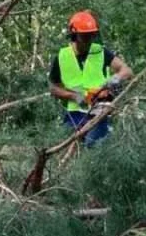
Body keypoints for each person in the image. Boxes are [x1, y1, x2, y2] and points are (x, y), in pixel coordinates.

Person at [48, 10, 132, 147]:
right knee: (61, 144)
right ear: (74, 35)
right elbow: (53, 88)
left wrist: (111, 81)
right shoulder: (62, 56)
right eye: (85, 36)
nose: (89, 40)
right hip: (75, 112)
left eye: (91, 35)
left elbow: (127, 71)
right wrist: (76, 96)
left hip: (100, 111)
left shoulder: (100, 52)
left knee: (92, 145)